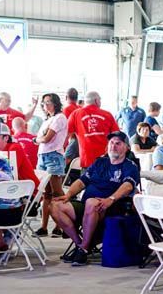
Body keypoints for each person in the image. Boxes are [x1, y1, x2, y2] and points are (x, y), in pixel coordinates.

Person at [50, 131, 139, 266]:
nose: (113, 146)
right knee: (55, 205)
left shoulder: (129, 166)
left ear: (126, 147)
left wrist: (111, 198)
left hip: (111, 207)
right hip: (87, 206)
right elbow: (81, 182)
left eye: (118, 143)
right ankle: (80, 245)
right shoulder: (99, 162)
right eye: (111, 143)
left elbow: (128, 186)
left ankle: (84, 248)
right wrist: (69, 195)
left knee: (91, 203)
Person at [33, 93, 68, 236]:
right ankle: (44, 227)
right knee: (46, 193)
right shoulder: (48, 119)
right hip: (43, 156)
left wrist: (37, 139)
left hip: (53, 155)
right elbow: (44, 137)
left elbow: (47, 138)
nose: (46, 105)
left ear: (55, 103)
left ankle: (63, 225)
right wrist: (40, 139)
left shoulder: (60, 118)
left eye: (48, 102)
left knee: (58, 193)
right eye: (44, 103)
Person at [66, 91, 120, 169]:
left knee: (86, 181)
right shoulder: (107, 114)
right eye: (100, 100)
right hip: (106, 159)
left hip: (86, 160)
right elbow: (117, 135)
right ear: (96, 101)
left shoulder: (75, 114)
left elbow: (66, 134)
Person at [0, 123, 40, 190]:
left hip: (28, 190)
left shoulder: (14, 148)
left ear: (6, 138)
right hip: (15, 187)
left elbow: (10, 173)